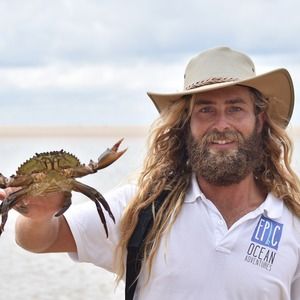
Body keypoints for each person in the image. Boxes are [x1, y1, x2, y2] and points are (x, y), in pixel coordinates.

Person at [1, 46, 300, 300]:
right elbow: (40, 240)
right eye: (205, 110)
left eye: (235, 109)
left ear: (260, 121)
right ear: (186, 125)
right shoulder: (144, 207)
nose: (221, 124)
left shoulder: (293, 223)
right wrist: (38, 215)